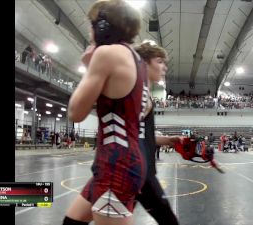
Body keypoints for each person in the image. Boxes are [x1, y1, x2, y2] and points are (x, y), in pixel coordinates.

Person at [63, 1, 147, 224]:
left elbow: (75, 113)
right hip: (125, 159)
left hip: (114, 165)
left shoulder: (107, 54)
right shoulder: (138, 60)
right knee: (71, 222)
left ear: (102, 27)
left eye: (92, 25)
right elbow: (143, 108)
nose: (90, 32)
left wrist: (89, 67)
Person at [134, 41, 181, 225]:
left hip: (135, 171)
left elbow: (141, 135)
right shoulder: (140, 95)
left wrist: (170, 140)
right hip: (139, 174)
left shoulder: (143, 94)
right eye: (160, 61)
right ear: (144, 64)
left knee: (76, 218)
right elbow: (127, 134)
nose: (164, 67)